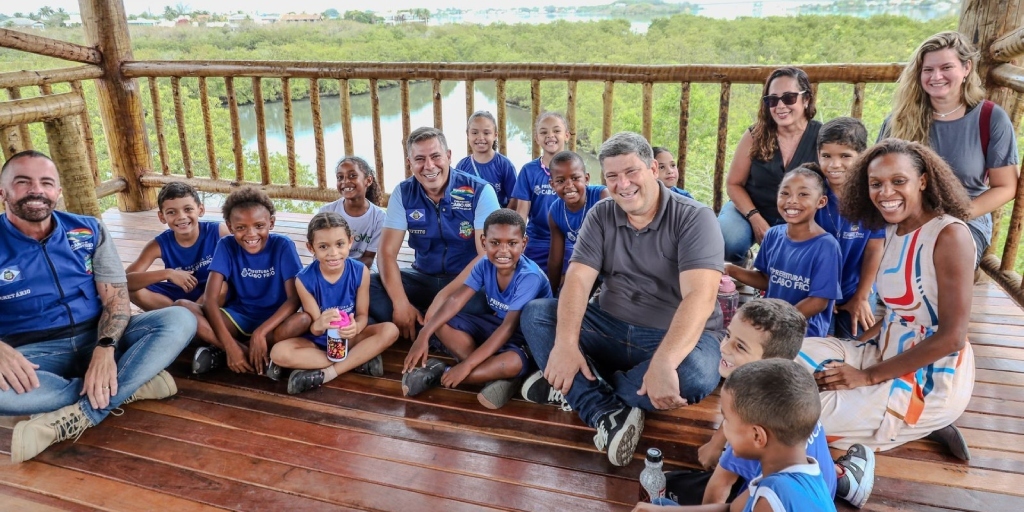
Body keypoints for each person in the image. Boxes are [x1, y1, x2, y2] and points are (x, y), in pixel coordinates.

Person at [521, 132, 725, 467]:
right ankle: (605, 408)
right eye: (613, 176)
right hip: (609, 324)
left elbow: (700, 299)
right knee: (537, 314)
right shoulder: (601, 214)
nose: (623, 184)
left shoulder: (694, 217)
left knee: (695, 374)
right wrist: (567, 344)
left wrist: (663, 362)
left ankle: (576, 389)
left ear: (654, 169)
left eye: (632, 172)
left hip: (672, 334)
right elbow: (577, 279)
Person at [800, 139, 977, 504]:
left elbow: (952, 338)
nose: (886, 192)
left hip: (929, 377)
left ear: (924, 181)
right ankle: (901, 426)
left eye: (899, 181)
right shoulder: (894, 228)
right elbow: (900, 312)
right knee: (788, 357)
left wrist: (864, 377)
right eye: (875, 183)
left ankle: (855, 465)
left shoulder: (949, 235)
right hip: (883, 352)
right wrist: (858, 348)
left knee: (798, 415)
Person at [0, 151, 195, 463]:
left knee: (180, 318)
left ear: (57, 193)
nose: (36, 190)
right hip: (33, 356)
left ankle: (82, 412)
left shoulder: (88, 230)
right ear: (3, 192)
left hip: (101, 336)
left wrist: (105, 348)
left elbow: (116, 299)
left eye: (46, 183)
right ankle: (130, 385)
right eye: (23, 182)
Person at [880, 31, 1019, 265]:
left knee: (936, 260)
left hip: (964, 219)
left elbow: (1006, 186)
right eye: (928, 70)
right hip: (903, 215)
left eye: (946, 67)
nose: (936, 76)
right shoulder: (899, 119)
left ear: (966, 68)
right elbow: (877, 175)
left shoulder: (990, 118)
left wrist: (957, 215)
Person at [634, 360, 837, 512]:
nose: (723, 431)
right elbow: (731, 509)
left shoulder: (773, 499)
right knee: (658, 505)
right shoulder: (790, 472)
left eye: (727, 421)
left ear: (758, 436)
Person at [402, 209, 552, 409]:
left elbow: (508, 328)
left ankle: (441, 372)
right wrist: (424, 334)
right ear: (483, 242)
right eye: (495, 242)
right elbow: (456, 299)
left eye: (512, 243)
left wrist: (467, 365)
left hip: (524, 337)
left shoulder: (529, 276)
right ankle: (498, 377)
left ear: (523, 243)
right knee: (442, 323)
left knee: (512, 363)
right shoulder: (484, 264)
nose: (503, 251)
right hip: (495, 325)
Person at [368, 127, 500, 341]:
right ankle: (437, 329)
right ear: (410, 163)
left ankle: (417, 328)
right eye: (419, 159)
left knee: (487, 301)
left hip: (466, 283)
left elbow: (484, 255)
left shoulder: (480, 191)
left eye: (436, 156)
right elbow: (386, 253)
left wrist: (444, 296)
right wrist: (400, 303)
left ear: (448, 156)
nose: (429, 166)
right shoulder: (403, 193)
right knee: (367, 287)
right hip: (423, 277)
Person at [270, 212, 399, 395]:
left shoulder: (360, 271)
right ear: (311, 247)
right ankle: (357, 360)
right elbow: (315, 329)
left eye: (340, 244)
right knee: (278, 353)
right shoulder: (304, 280)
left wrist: (356, 327)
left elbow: (362, 315)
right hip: (317, 343)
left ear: (350, 242)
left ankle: (328, 373)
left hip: (349, 338)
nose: (333, 253)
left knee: (390, 330)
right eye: (323, 246)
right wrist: (320, 323)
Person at [180, 186, 304, 377]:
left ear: (271, 223)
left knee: (303, 320)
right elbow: (210, 300)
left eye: (259, 226)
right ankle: (241, 353)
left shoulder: (283, 245)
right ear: (230, 227)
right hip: (238, 317)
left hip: (274, 322)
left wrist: (260, 332)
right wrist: (230, 346)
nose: (251, 234)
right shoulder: (226, 245)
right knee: (182, 308)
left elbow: (294, 300)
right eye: (240, 228)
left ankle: (220, 352)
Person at [719, 67, 822, 264]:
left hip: (799, 214)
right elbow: (734, 183)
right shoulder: (755, 135)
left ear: (806, 99)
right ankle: (741, 266)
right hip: (751, 208)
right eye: (772, 100)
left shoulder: (822, 137)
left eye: (789, 98)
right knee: (728, 240)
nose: (780, 106)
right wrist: (755, 218)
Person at [726, 167, 842, 337]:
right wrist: (730, 269)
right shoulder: (773, 235)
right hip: (770, 325)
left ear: (821, 202)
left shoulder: (826, 246)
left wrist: (779, 323)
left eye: (803, 194)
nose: (792, 200)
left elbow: (819, 301)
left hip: (803, 332)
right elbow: (766, 280)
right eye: (785, 193)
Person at [814, 118, 884, 339]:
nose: (834, 165)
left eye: (845, 156)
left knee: (856, 340)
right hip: (813, 288)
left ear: (862, 156)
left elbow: (874, 249)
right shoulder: (812, 190)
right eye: (827, 156)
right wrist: (821, 296)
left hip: (854, 287)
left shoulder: (870, 195)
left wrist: (861, 296)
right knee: (816, 342)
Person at [125, 182, 229, 311]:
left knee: (223, 286)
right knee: (133, 290)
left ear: (200, 210)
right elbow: (124, 281)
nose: (181, 217)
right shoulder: (158, 244)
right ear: (162, 217)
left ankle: (187, 316)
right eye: (171, 212)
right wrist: (168, 274)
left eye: (188, 209)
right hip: (177, 295)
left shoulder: (218, 232)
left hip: (210, 293)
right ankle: (188, 315)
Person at [510, 111, 569, 273]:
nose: (550, 136)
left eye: (556, 131)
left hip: (569, 240)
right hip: (537, 240)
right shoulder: (529, 171)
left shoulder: (574, 168)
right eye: (543, 132)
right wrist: (517, 243)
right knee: (531, 282)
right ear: (536, 138)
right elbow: (522, 212)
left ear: (567, 135)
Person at [545, 150, 608, 292]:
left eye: (575, 178)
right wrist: (552, 292)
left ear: (586, 179)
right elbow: (555, 259)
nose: (569, 185)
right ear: (552, 184)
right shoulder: (555, 212)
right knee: (564, 296)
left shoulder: (603, 197)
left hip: (611, 264)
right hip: (586, 263)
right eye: (560, 181)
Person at [318, 156, 386, 271]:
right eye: (340, 177)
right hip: (329, 266)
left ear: (368, 180)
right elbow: (319, 251)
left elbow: (368, 258)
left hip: (360, 268)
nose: (345, 181)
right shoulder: (326, 212)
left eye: (352, 176)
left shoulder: (379, 217)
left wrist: (345, 271)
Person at [456, 110, 518, 208]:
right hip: (471, 222)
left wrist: (503, 220)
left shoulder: (505, 165)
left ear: (495, 135)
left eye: (486, 133)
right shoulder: (462, 166)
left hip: (498, 221)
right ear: (468, 134)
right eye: (475, 132)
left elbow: (514, 199)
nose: (480, 137)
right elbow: (459, 199)